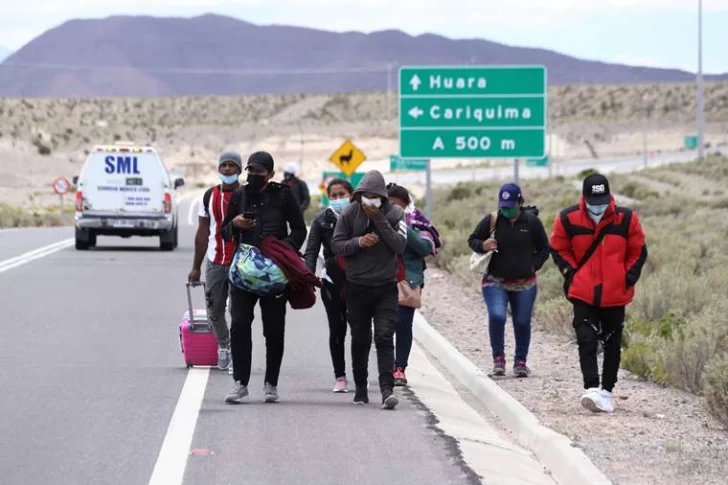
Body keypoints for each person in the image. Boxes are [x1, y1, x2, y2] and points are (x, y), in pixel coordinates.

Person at [550, 173, 647, 413]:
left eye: (603, 201)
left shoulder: (627, 219)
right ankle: (592, 388)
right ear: (584, 198)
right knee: (586, 338)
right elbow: (558, 248)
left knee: (613, 343)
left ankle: (607, 393)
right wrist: (572, 273)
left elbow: (638, 251)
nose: (599, 207)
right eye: (594, 202)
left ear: (609, 196)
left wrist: (627, 278)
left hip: (615, 293)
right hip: (583, 291)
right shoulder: (567, 218)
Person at [219, 151, 308, 404]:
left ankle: (271, 384)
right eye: (250, 171)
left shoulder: (283, 194)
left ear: (270, 174)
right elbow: (225, 233)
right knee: (239, 325)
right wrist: (235, 224)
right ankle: (240, 383)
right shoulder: (239, 195)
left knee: (274, 329)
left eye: (259, 172)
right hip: (244, 273)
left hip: (274, 274)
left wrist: (283, 249)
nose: (253, 176)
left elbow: (299, 229)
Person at [331, 170, 407, 410]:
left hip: (385, 287)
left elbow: (400, 244)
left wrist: (380, 221)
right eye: (366, 195)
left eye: (376, 196)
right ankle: (361, 388)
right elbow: (336, 245)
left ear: (383, 197)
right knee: (361, 339)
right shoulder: (349, 213)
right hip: (357, 287)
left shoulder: (396, 214)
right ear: (359, 195)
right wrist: (359, 242)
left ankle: (387, 391)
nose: (370, 200)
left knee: (384, 336)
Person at [467, 183, 549, 378]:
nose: (507, 209)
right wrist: (483, 244)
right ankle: (499, 360)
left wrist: (533, 265)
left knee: (522, 321)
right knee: (497, 316)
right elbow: (473, 240)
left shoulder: (532, 222)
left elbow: (544, 249)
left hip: (525, 283)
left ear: (520, 202)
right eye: (503, 206)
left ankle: (521, 362)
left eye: (511, 205)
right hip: (495, 280)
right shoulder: (492, 220)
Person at [187, 151, 242, 370]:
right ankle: (224, 346)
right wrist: (195, 268)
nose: (227, 169)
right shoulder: (209, 196)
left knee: (238, 312)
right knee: (214, 309)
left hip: (241, 263)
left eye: (232, 165)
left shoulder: (247, 194)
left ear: (239, 169)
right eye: (224, 166)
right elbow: (202, 234)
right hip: (215, 261)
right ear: (219, 169)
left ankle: (239, 353)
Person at [386, 183, 441, 386]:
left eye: (399, 206)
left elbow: (424, 247)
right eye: (391, 206)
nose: (395, 210)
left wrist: (401, 226)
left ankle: (399, 368)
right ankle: (385, 367)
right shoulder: (375, 219)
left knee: (403, 324)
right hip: (380, 278)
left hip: (408, 280)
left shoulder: (416, 220)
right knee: (383, 327)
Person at [303, 178, 354, 393]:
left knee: (360, 331)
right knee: (337, 330)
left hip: (360, 281)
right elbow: (312, 250)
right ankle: (340, 376)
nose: (338, 199)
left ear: (351, 195)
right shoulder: (321, 220)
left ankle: (361, 373)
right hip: (332, 282)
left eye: (342, 194)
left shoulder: (361, 217)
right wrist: (307, 276)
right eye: (333, 195)